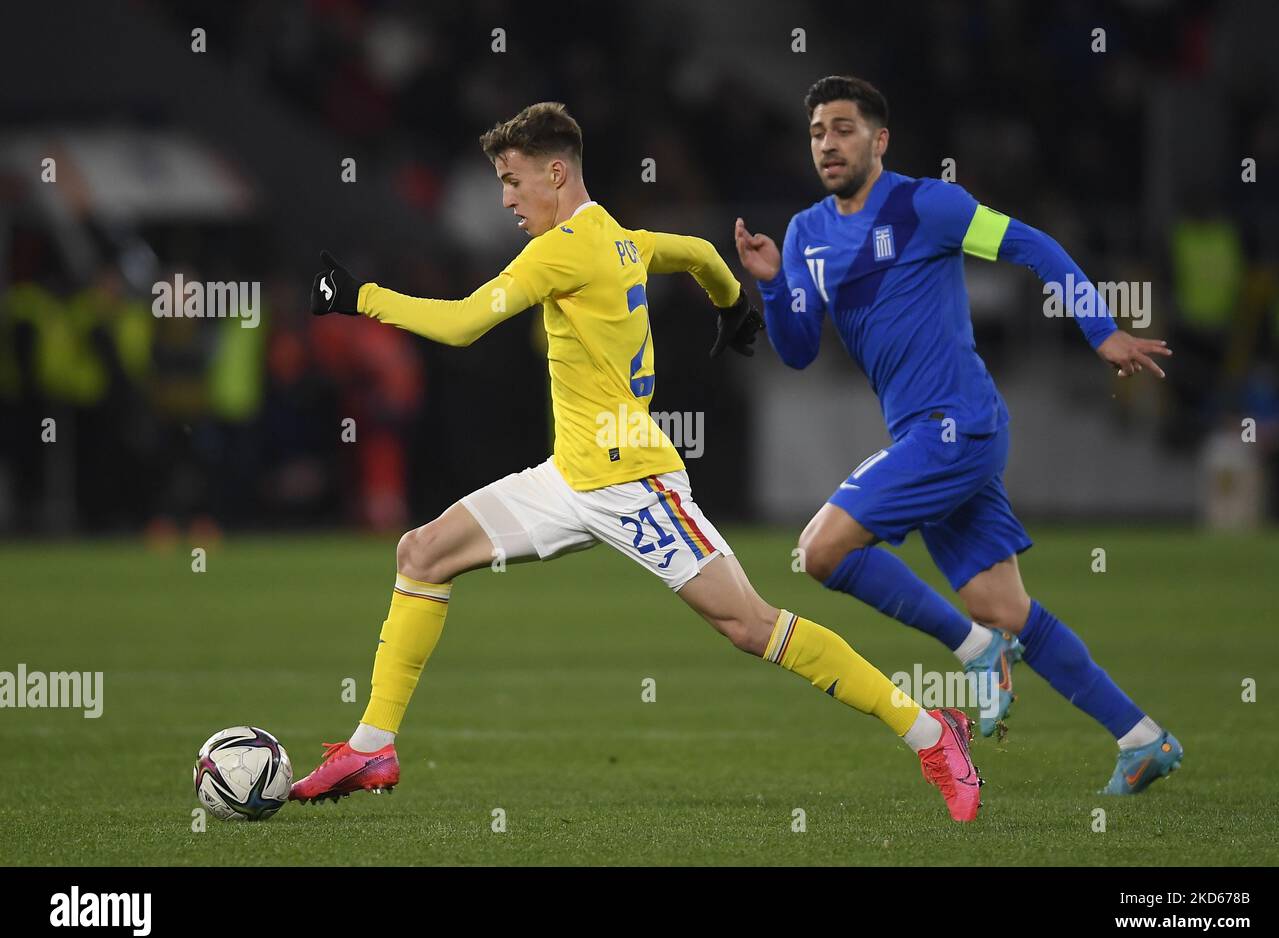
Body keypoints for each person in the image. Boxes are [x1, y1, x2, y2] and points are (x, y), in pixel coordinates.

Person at [293, 101, 984, 821]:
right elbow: (698, 252)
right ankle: (373, 743)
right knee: (422, 553)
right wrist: (732, 308)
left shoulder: (561, 249)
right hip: (570, 477)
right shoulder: (621, 238)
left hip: (632, 483)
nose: (505, 198)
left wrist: (357, 296)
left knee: (752, 626)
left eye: (513, 179)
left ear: (555, 173)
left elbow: (465, 323)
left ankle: (935, 733)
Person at [735, 76, 1181, 795]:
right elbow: (796, 350)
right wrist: (771, 285)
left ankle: (975, 652)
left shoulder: (927, 206)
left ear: (879, 141)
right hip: (926, 433)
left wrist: (1100, 330)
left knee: (820, 550)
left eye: (844, 128)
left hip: (957, 425)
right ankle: (1141, 738)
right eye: (818, 130)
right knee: (1004, 608)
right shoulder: (806, 233)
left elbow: (1033, 247)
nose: (828, 143)